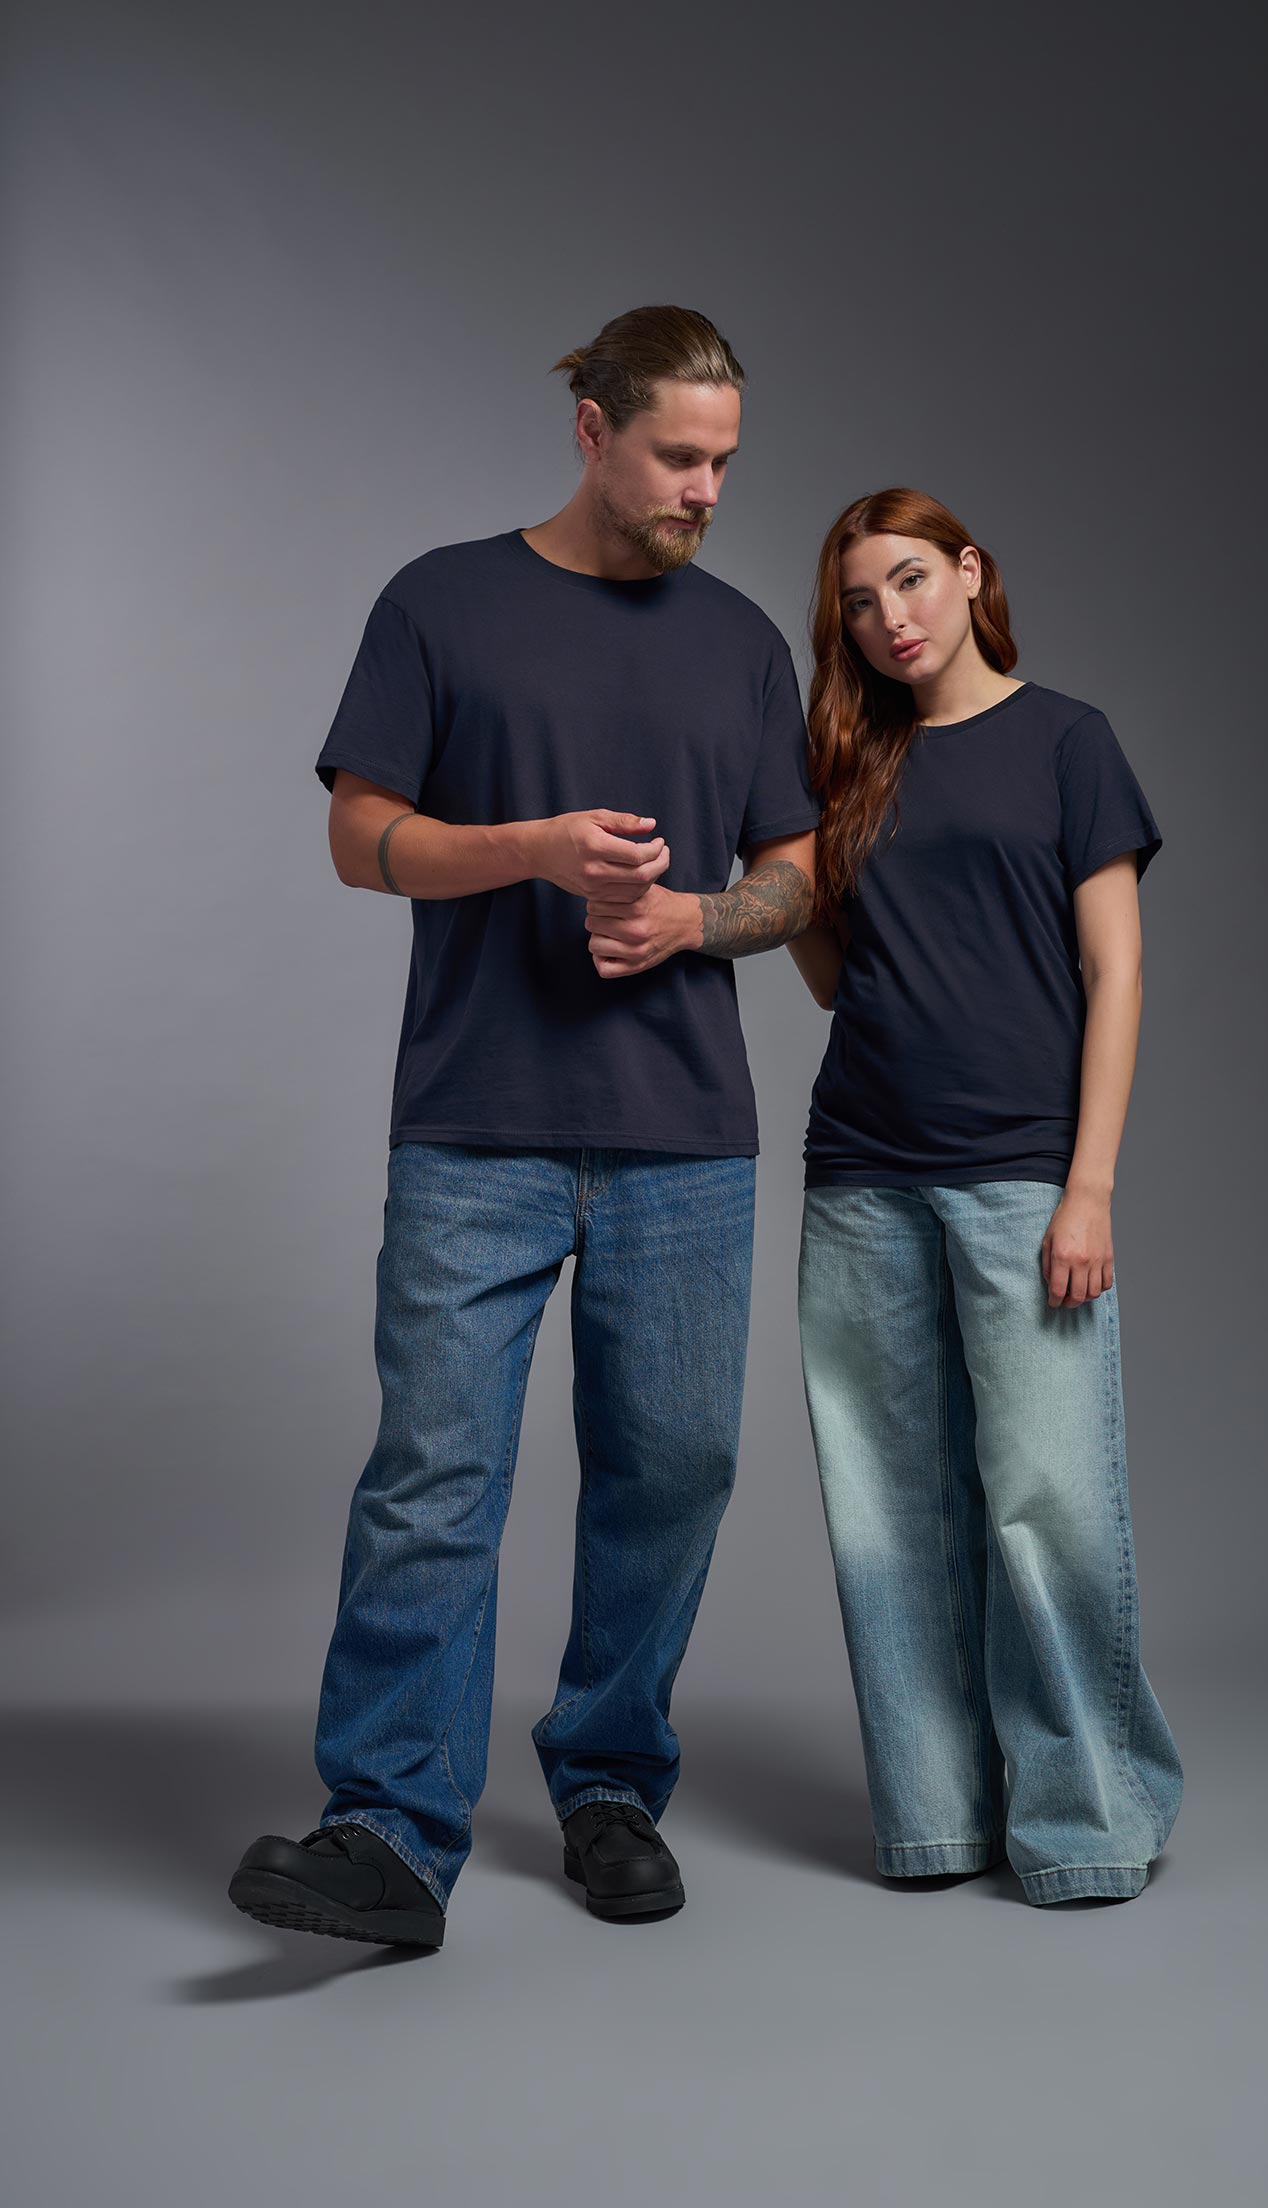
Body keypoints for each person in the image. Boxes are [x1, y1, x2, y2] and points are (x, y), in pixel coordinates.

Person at [228, 306, 819, 1949]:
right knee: (433, 1478)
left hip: (685, 1134)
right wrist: (534, 852)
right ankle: (389, 1834)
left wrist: (696, 923)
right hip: (475, 1125)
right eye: (678, 456)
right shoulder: (442, 602)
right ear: (589, 427)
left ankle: (611, 1780)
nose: (706, 488)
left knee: (676, 1471)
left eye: (724, 461)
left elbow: (797, 866)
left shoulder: (742, 641)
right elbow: (360, 839)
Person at [786, 487, 1184, 1905]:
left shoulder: (1066, 741)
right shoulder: (849, 761)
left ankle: (1084, 1824)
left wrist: (1089, 1185)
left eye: (908, 580)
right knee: (886, 1515)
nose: (888, 616)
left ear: (969, 573)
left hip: (1022, 1175)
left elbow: (1114, 973)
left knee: (1045, 1502)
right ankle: (935, 1820)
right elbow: (832, 967)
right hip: (861, 1180)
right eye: (857, 600)